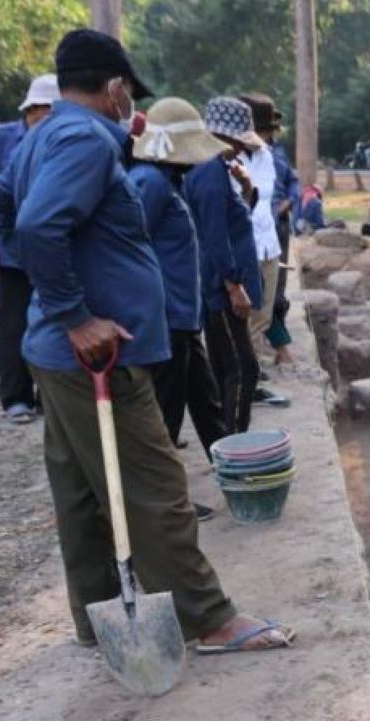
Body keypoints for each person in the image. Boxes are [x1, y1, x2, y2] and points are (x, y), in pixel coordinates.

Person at [0, 29, 293, 655]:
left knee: (80, 492)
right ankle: (207, 618)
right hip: (98, 352)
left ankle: (97, 616)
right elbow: (39, 224)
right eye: (129, 93)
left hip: (58, 351)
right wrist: (77, 314)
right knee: (155, 484)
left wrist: (55, 301)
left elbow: (0, 208)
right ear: (117, 87)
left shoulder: (42, 135)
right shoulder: (83, 139)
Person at [128, 97, 228, 479]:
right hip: (167, 316)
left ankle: (233, 471)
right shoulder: (149, 184)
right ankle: (163, 501)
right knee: (166, 415)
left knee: (205, 401)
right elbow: (132, 244)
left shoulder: (169, 183)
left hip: (185, 316)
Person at [0, 73, 59, 425]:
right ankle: (15, 397)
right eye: (46, 112)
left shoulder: (57, 141)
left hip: (46, 247)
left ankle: (46, 395)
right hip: (8, 249)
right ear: (33, 109)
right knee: (12, 324)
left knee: (50, 320)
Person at [197, 97, 267, 435]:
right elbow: (214, 236)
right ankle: (235, 443)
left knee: (229, 366)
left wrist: (246, 189)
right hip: (219, 288)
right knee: (241, 369)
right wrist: (233, 286)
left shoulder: (217, 170)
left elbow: (233, 221)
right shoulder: (209, 172)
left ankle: (230, 437)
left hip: (219, 283)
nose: (241, 149)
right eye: (239, 141)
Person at [240, 93, 298, 371]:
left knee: (272, 301)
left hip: (273, 234)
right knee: (246, 307)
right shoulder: (231, 160)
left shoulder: (271, 154)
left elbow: (291, 184)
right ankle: (248, 369)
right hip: (246, 242)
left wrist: (287, 203)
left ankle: (265, 356)